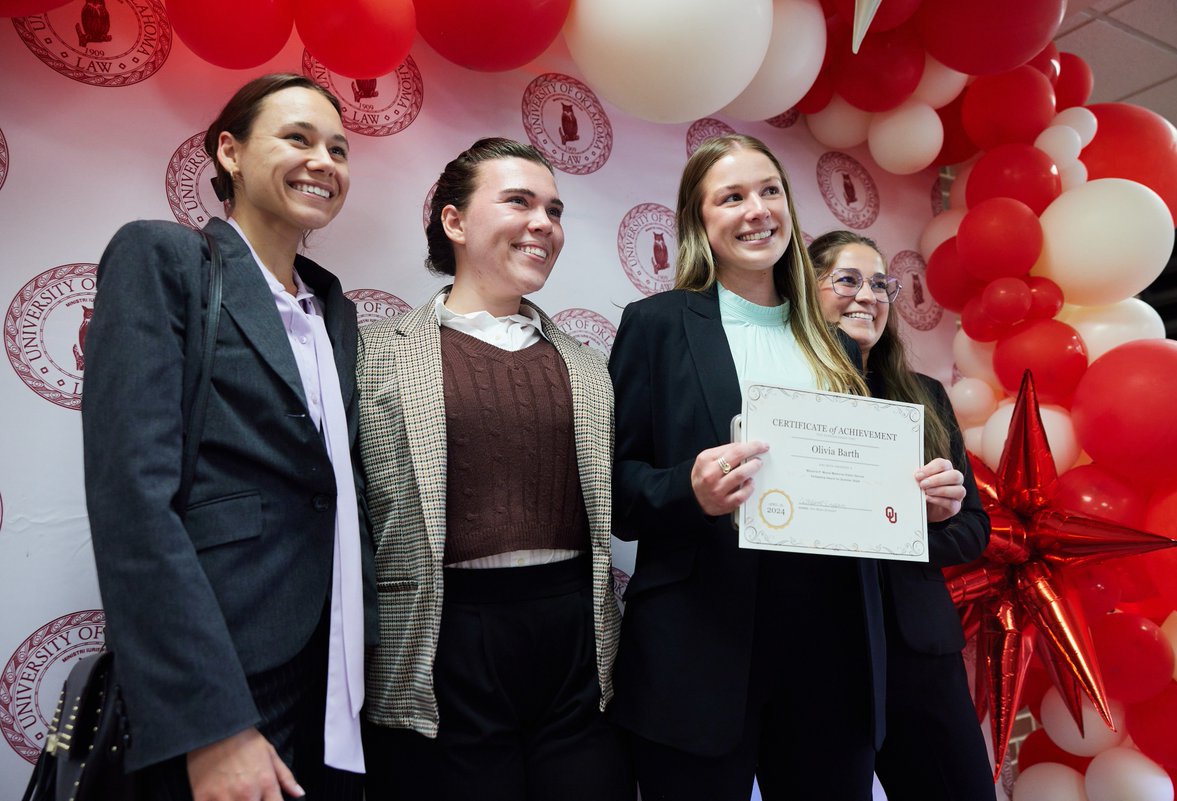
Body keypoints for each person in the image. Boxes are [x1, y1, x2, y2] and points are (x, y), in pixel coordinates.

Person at [81, 73, 376, 801]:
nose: (325, 161)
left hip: (333, 670)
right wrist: (208, 723)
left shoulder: (332, 305)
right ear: (230, 153)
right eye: (298, 138)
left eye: (339, 148)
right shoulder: (163, 259)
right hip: (224, 667)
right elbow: (132, 500)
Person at [606, 133, 885, 801]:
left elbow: (862, 481)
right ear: (700, 220)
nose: (757, 210)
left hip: (832, 649)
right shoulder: (657, 325)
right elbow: (613, 489)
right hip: (699, 651)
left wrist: (908, 491)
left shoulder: (837, 339)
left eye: (769, 191)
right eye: (731, 197)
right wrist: (690, 490)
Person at [357, 137, 631, 801]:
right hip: (441, 641)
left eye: (555, 209)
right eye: (519, 201)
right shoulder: (371, 351)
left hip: (576, 639)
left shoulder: (591, 366)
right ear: (454, 221)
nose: (544, 223)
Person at [810, 230, 993, 801]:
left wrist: (929, 522)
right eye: (847, 279)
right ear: (803, 290)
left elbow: (974, 532)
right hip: (818, 649)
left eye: (880, 284)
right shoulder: (781, 393)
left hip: (918, 651)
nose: (867, 296)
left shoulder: (923, 396)